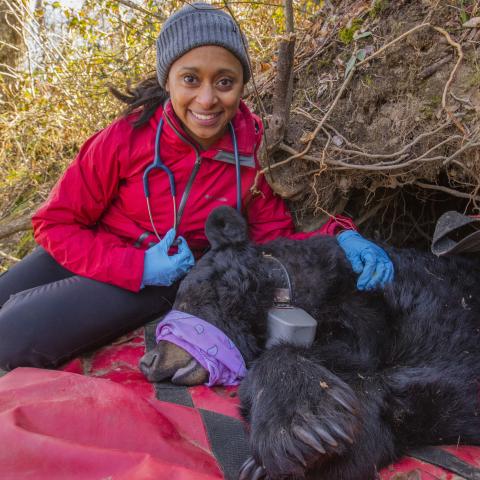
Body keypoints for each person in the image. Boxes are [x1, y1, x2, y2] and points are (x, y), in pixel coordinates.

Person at [0, 3, 393, 371]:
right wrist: (135, 265)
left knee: (10, 336)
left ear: (241, 85)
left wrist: (341, 237)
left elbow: (277, 235)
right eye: (190, 79)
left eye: (224, 81)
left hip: (162, 278)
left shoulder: (253, 151)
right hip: (101, 248)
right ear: (167, 79)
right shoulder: (125, 138)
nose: (207, 99)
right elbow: (55, 223)